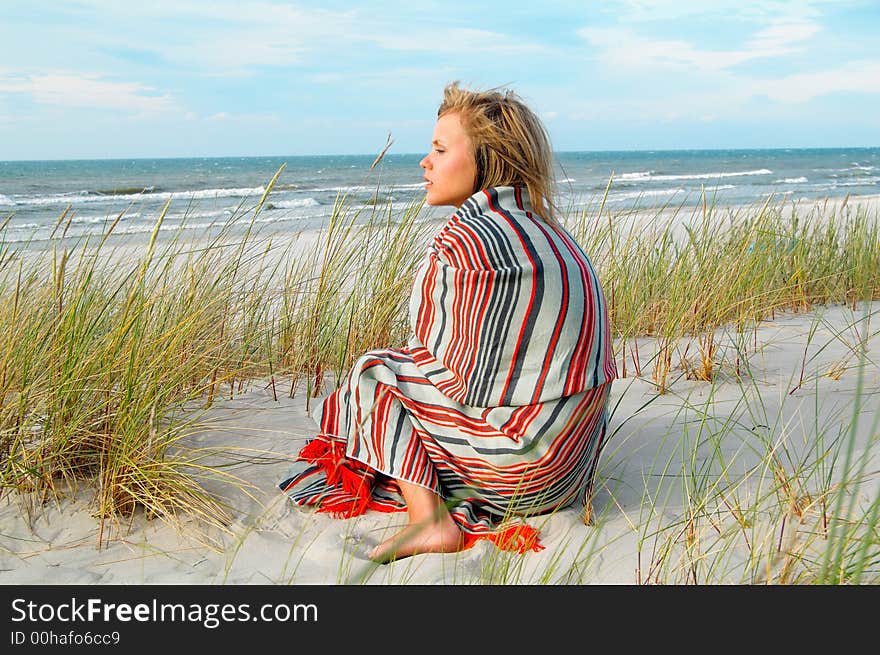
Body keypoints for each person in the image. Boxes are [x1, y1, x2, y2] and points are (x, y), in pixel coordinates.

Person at [279, 81, 617, 563]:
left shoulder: (466, 238)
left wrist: (383, 387)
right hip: (571, 472)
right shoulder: (551, 232)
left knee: (375, 372)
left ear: (488, 159)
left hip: (521, 473)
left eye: (439, 149)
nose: (425, 162)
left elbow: (449, 374)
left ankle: (431, 523)